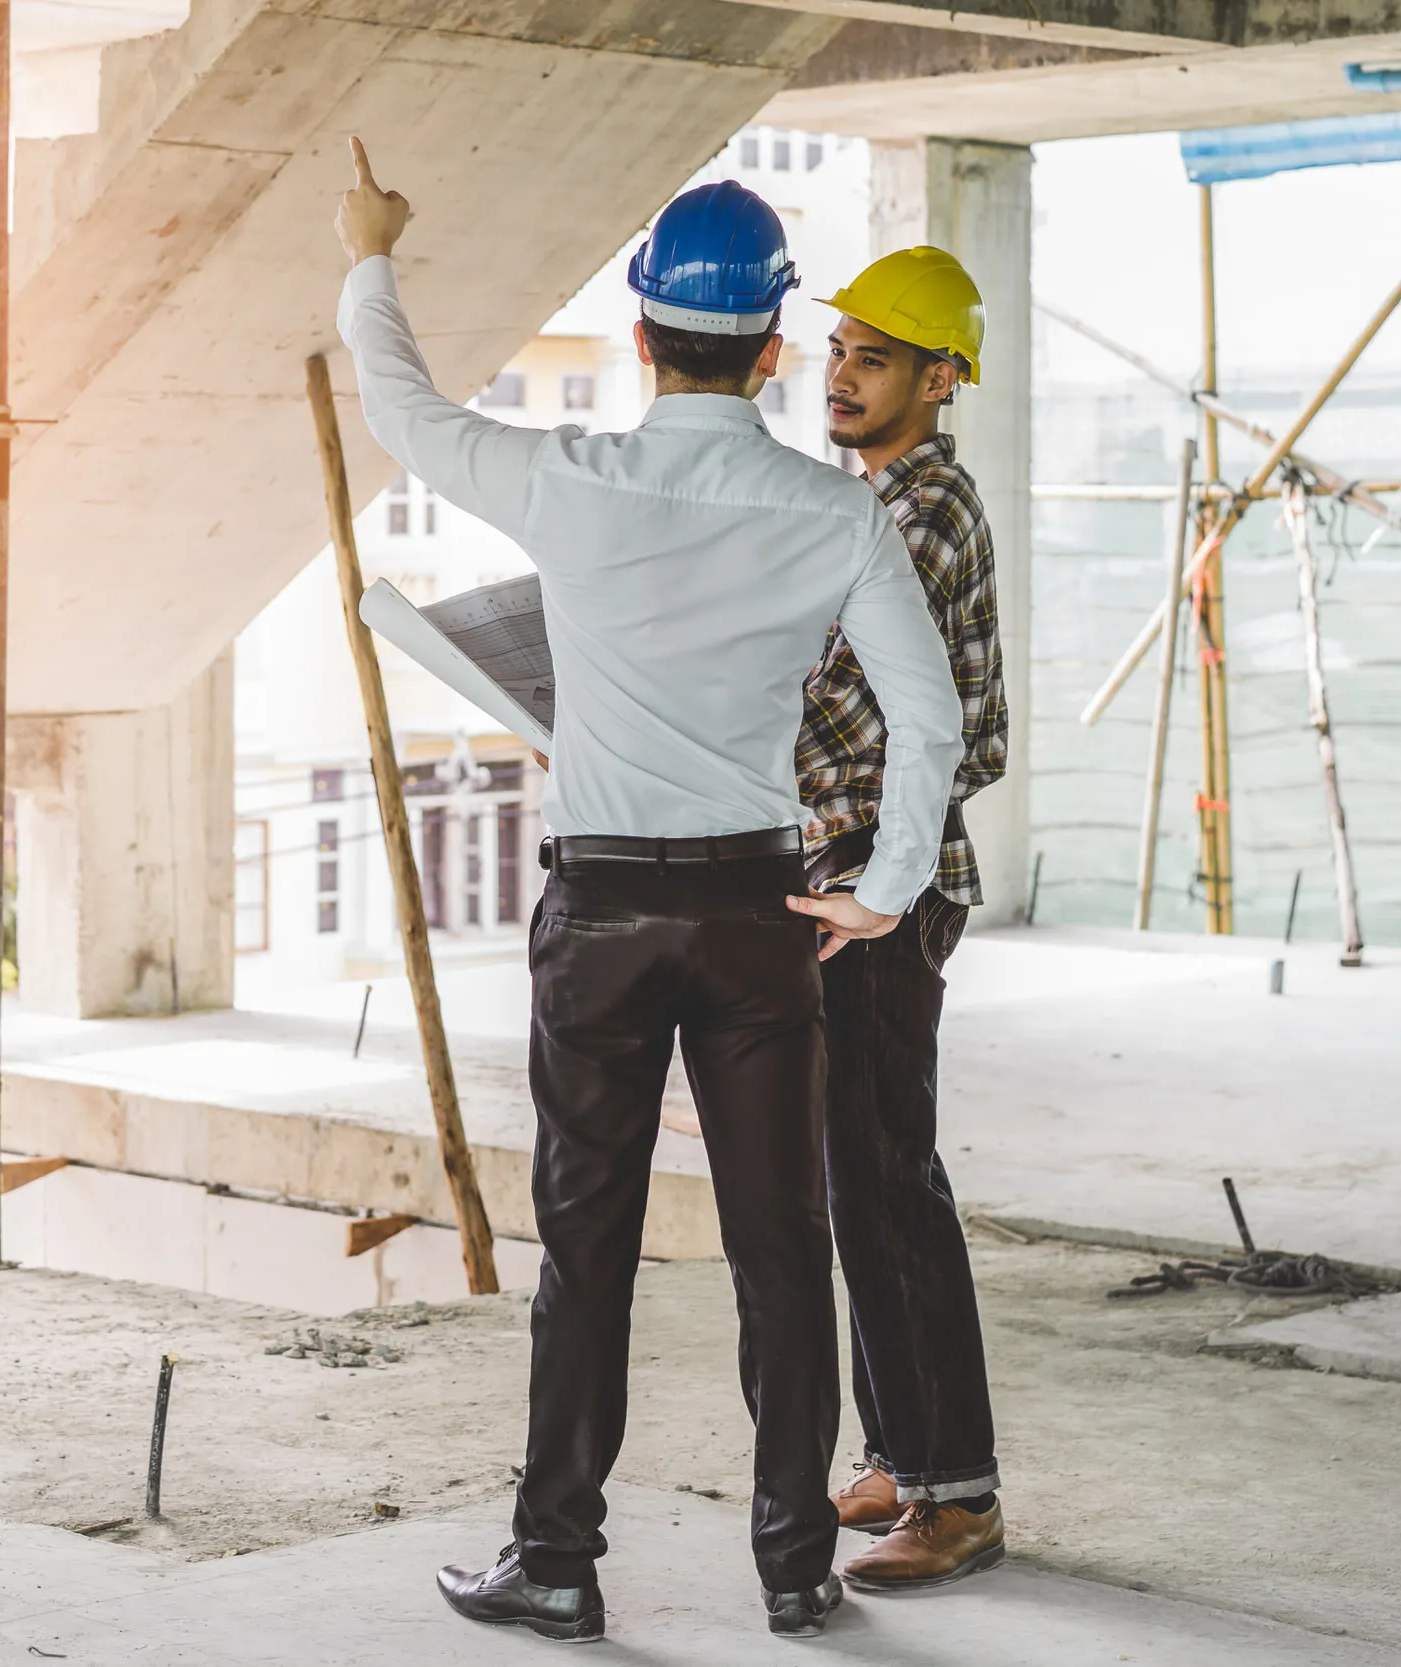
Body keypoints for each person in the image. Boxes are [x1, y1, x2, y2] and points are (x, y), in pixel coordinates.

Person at [332, 140, 963, 1641]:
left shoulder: (572, 479)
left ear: (641, 334)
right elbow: (927, 716)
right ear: (770, 346)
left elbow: (407, 413)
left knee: (587, 1250)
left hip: (602, 919)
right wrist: (878, 889)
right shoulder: (835, 511)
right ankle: (796, 1562)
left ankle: (556, 1557)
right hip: (759, 920)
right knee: (779, 1255)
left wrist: (371, 248)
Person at [801, 247, 1010, 1590]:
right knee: (858, 1182)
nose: (842, 373)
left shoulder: (919, 510)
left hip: (889, 880)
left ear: (940, 378)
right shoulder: (871, 498)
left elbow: (830, 695)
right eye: (838, 350)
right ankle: (903, 1452)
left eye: (874, 357)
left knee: (890, 1181)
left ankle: (960, 1495)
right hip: (850, 868)